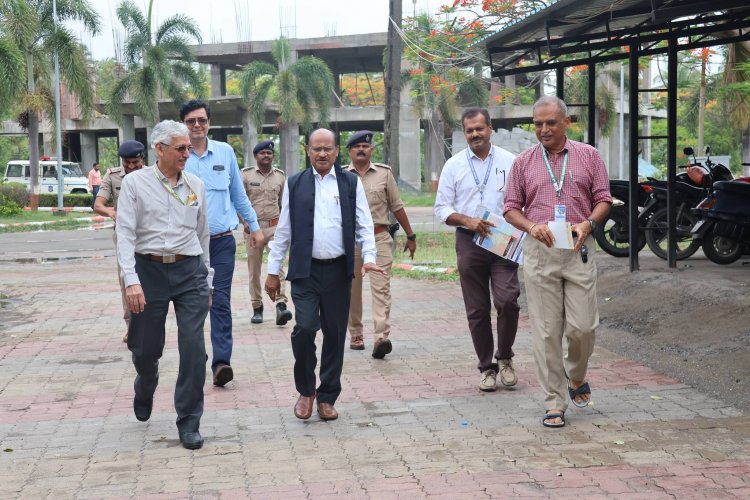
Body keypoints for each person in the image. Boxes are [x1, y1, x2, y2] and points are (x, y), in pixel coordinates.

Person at [503, 96, 612, 429]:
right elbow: (510, 207)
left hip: (577, 247)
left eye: (550, 122)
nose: (544, 129)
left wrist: (588, 224)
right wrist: (530, 226)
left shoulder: (589, 156)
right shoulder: (522, 162)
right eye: (538, 124)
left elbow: (604, 199)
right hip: (540, 251)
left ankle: (575, 373)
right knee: (547, 332)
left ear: (566, 122)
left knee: (583, 327)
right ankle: (554, 402)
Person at [265, 128, 383, 421]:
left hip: (339, 272)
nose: (321, 154)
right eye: (316, 149)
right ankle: (306, 390)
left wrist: (368, 258)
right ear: (307, 150)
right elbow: (284, 231)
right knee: (304, 329)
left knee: (334, 335)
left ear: (336, 150)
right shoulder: (295, 183)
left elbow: (364, 225)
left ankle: (327, 396)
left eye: (327, 149)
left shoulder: (350, 182)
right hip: (306, 272)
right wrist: (272, 272)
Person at [116, 120, 213, 450]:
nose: (188, 153)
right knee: (144, 348)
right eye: (181, 148)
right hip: (148, 272)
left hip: (190, 273)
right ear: (160, 149)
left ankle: (188, 420)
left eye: (189, 147)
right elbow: (125, 234)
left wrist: (208, 277)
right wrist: (131, 281)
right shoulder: (134, 184)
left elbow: (203, 234)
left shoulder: (195, 184)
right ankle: (146, 381)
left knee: (194, 349)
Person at [434, 107, 520, 393]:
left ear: (490, 128)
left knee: (508, 301)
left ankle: (505, 357)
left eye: (479, 129)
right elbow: (442, 208)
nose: (474, 134)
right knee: (477, 309)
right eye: (469, 130)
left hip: (502, 239)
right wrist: (468, 220)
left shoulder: (511, 161)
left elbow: (523, 200)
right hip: (469, 240)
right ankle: (487, 367)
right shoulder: (454, 165)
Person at [180, 99, 264, 388]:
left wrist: (254, 227)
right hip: (187, 247)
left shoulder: (225, 152)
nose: (197, 125)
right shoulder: (177, 156)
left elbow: (238, 195)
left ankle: (221, 363)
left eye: (201, 120)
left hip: (221, 244)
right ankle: (195, 360)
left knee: (220, 302)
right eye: (191, 121)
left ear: (209, 123)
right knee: (193, 304)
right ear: (184, 125)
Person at [344, 130, 416, 359]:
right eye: (356, 147)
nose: (361, 150)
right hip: (351, 241)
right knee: (351, 290)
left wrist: (410, 236)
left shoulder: (384, 174)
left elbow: (397, 205)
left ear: (371, 150)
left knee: (381, 288)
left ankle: (381, 337)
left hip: (379, 238)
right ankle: (356, 334)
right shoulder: (341, 176)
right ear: (349, 151)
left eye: (365, 146)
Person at [94, 140, 146, 343]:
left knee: (147, 281)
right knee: (127, 279)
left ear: (143, 158)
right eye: (127, 162)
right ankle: (131, 326)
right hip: (124, 236)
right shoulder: (112, 175)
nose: (131, 166)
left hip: (149, 236)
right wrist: (110, 211)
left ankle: (148, 325)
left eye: (135, 162)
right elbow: (99, 204)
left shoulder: (152, 175)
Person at [241, 140, 293, 326]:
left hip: (274, 227)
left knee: (278, 266)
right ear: (256, 156)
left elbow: (284, 204)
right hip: (253, 229)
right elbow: (240, 202)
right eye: (262, 153)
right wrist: (245, 223)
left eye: (269, 153)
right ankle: (257, 307)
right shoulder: (246, 175)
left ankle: (281, 304)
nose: (266, 156)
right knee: (254, 270)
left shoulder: (280, 177)